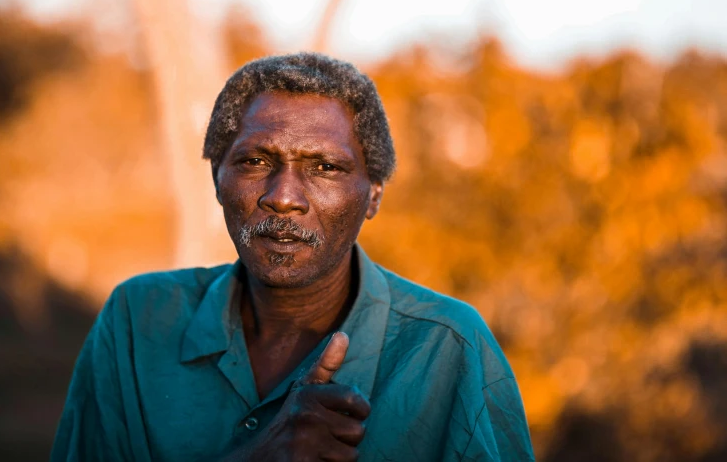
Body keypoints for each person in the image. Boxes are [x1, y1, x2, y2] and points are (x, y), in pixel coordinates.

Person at [52, 52, 535, 461]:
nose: (283, 197)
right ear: (217, 180)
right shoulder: (138, 323)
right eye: (255, 162)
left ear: (373, 196)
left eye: (325, 167)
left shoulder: (447, 349)